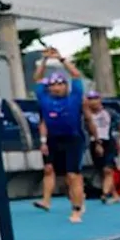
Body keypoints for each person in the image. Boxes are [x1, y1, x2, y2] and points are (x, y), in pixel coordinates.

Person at [32, 49, 88, 222]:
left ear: (65, 86)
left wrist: (61, 59)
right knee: (60, 177)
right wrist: (44, 60)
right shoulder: (44, 99)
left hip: (73, 139)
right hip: (54, 140)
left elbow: (76, 75)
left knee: (73, 175)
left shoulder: (74, 97)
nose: (56, 88)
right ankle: (76, 198)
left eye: (60, 84)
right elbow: (38, 78)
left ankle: (77, 210)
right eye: (53, 85)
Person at [84, 89, 120, 204]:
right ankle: (114, 194)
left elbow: (119, 127)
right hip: (94, 143)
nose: (93, 102)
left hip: (108, 142)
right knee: (101, 170)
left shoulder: (109, 113)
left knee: (108, 169)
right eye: (90, 99)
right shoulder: (85, 116)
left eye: (95, 99)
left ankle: (104, 194)